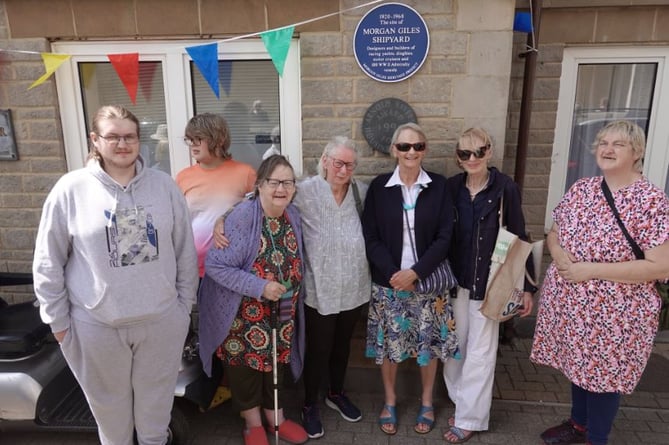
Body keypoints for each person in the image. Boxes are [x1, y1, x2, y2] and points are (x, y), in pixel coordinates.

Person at [32, 105, 198, 445]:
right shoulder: (70, 190)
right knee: (112, 423)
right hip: (97, 327)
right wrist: (59, 325)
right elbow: (48, 262)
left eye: (130, 136)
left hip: (161, 324)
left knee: (155, 421)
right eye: (113, 136)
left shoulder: (164, 187)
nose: (122, 144)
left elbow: (185, 253)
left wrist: (183, 309)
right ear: (95, 140)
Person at [530, 120, 669, 445]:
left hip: (618, 313)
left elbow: (659, 265)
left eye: (618, 144)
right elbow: (554, 231)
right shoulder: (583, 188)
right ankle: (578, 425)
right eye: (603, 142)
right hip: (574, 305)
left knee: (604, 375)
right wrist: (559, 254)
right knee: (579, 365)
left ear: (637, 152)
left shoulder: (651, 201)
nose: (607, 149)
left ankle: (597, 437)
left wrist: (590, 270)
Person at [198, 155, 308, 445]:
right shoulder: (244, 217)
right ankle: (253, 425)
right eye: (274, 182)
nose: (281, 188)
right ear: (260, 185)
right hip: (241, 315)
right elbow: (216, 265)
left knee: (275, 363)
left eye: (287, 183)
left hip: (281, 312)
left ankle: (277, 419)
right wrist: (259, 286)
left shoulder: (291, 214)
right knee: (246, 367)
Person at [361, 122, 460, 436]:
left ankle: (427, 401)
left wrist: (416, 273)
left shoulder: (439, 186)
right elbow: (371, 235)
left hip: (426, 283)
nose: (411, 152)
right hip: (389, 283)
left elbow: (446, 236)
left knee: (426, 346)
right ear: (394, 150)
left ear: (425, 149)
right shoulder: (379, 187)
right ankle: (389, 400)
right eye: (404, 146)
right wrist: (395, 275)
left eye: (418, 146)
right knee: (391, 346)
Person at [442, 127, 535, 444]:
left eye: (479, 151)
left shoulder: (504, 187)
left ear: (489, 152)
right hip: (455, 284)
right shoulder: (452, 187)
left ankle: (470, 418)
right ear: (457, 156)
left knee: (481, 353)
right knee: (454, 351)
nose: (472, 158)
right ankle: (461, 401)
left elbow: (521, 236)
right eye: (465, 153)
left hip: (490, 284)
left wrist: (528, 289)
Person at [176, 112, 256, 410]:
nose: (193, 146)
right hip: (190, 268)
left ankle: (227, 386)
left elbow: (256, 219)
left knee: (228, 329)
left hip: (229, 272)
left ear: (218, 140)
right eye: (190, 140)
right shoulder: (183, 177)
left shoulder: (245, 174)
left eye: (198, 139)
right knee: (196, 328)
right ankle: (203, 383)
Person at [295, 136, 370, 438]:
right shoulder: (304, 191)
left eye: (349, 165)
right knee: (319, 349)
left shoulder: (360, 192)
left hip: (353, 286)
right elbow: (259, 200)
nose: (343, 170)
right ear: (325, 160)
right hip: (319, 288)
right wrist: (223, 220)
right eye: (338, 162)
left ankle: (336, 393)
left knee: (342, 346)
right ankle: (309, 403)